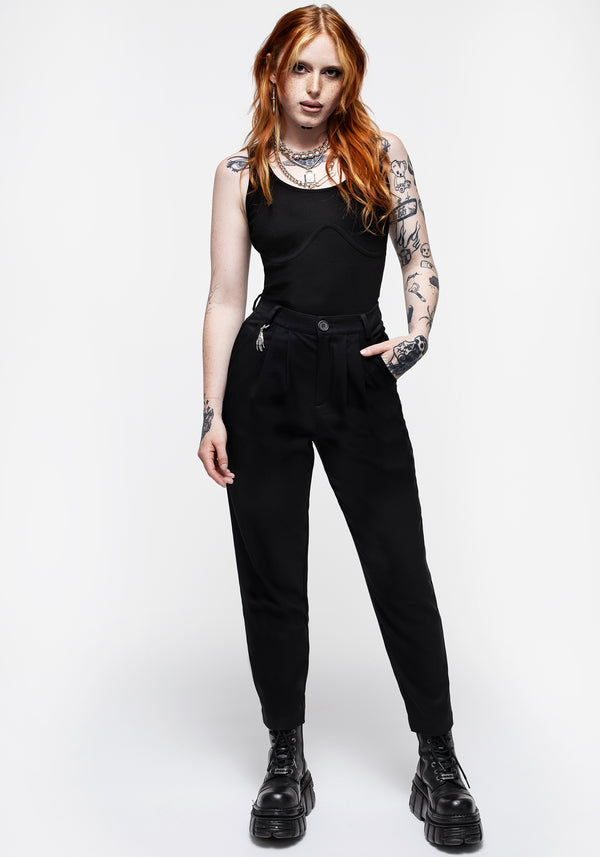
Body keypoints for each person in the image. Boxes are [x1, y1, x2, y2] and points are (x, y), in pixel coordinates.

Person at [197, 3, 483, 847]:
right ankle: (286, 755)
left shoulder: (381, 154)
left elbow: (418, 257)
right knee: (273, 573)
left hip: (360, 368)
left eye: (330, 71)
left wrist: (417, 331)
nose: (315, 88)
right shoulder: (239, 170)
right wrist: (212, 410)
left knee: (399, 565)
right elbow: (223, 297)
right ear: (273, 73)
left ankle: (439, 757)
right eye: (301, 69)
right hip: (268, 370)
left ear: (347, 78)